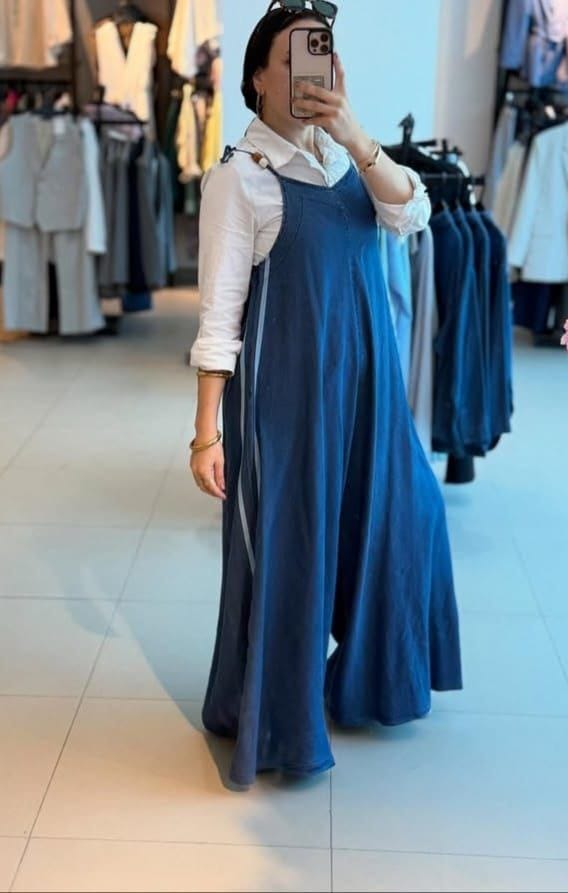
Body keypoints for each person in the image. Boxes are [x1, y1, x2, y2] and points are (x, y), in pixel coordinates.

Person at [189, 0, 463, 787]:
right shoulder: (241, 178)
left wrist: (352, 132)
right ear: (257, 77)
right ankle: (280, 722)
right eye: (295, 58)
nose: (315, 72)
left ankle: (369, 682)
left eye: (325, 55)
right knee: (292, 553)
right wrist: (206, 433)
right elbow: (218, 316)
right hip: (286, 399)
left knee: (406, 519)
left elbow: (410, 213)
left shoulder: (349, 159)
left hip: (368, 389)